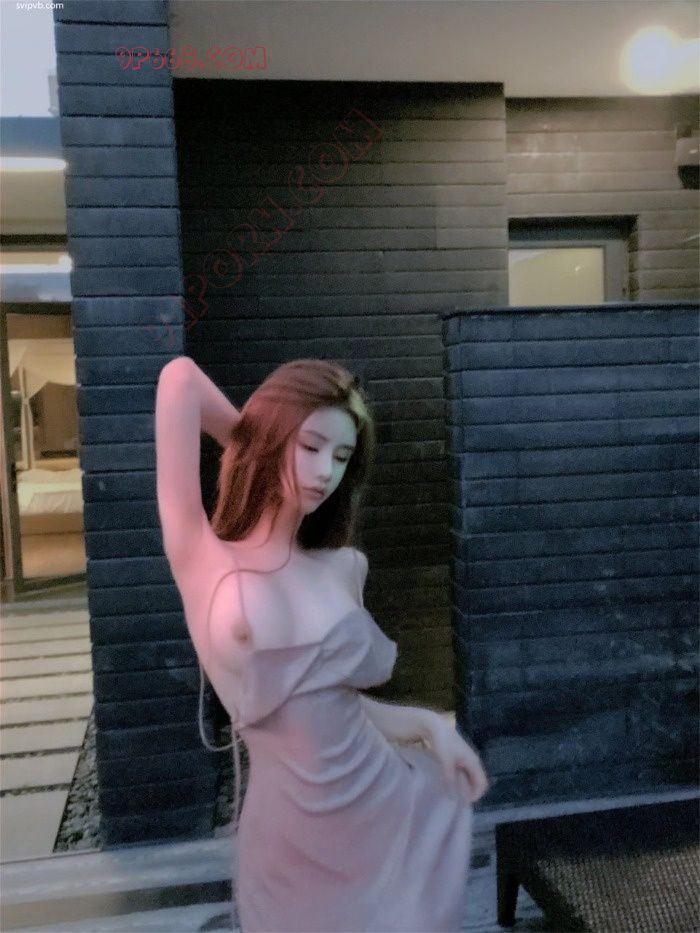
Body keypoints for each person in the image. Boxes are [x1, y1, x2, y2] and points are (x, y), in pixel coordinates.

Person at [154, 354, 489, 932]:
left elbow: (335, 706)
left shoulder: (342, 567)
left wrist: (432, 728)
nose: (324, 471)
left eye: (341, 456)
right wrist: (255, 444)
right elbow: (179, 379)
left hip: (383, 805)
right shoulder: (204, 558)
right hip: (288, 842)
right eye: (310, 446)